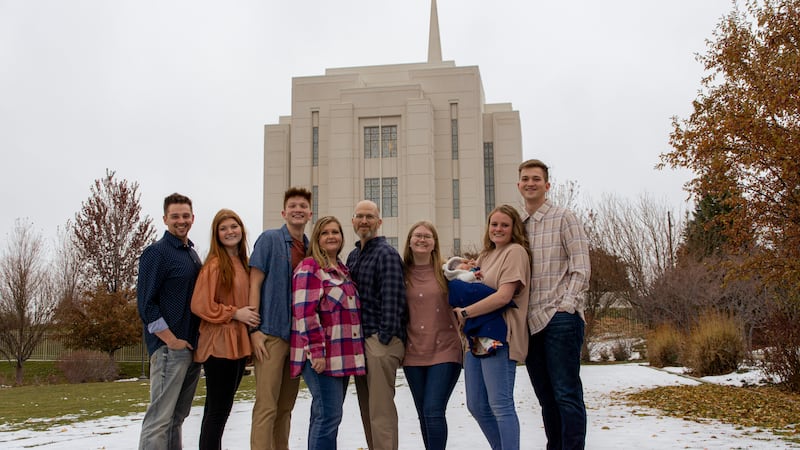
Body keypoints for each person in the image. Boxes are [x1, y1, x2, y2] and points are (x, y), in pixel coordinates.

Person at [517, 159, 591, 450]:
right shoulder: (518, 227)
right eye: (525, 179)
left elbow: (581, 266)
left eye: (536, 179)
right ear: (519, 185)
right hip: (530, 322)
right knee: (546, 397)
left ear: (547, 185)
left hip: (560, 318)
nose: (530, 183)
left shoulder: (564, 217)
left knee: (566, 393)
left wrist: (568, 304)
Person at [451, 204, 531, 450]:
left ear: (514, 228)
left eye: (504, 225)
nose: (498, 229)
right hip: (476, 334)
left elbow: (503, 297)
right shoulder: (486, 255)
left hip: (499, 336)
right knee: (476, 404)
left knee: (500, 404)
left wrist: (465, 312)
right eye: (494, 224)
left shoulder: (515, 252)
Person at [290, 216, 366, 450]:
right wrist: (316, 353)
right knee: (328, 416)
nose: (331, 236)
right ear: (317, 239)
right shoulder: (310, 267)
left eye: (336, 231)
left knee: (325, 416)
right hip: (321, 357)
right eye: (325, 233)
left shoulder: (342, 270)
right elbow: (305, 313)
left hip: (340, 356)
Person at [137, 193, 203, 450]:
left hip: (190, 349)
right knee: (159, 420)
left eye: (185, 216)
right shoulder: (156, 253)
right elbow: (146, 304)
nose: (181, 220)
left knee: (176, 419)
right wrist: (170, 340)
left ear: (193, 218)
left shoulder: (191, 254)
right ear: (165, 219)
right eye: (175, 216)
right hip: (168, 349)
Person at [190, 209, 261, 450]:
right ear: (216, 235)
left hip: (237, 343)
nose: (230, 232)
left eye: (234, 226)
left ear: (241, 230)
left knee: (218, 408)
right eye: (224, 228)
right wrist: (234, 312)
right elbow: (200, 304)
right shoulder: (215, 265)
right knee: (218, 411)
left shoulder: (243, 263)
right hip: (220, 343)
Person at [249, 187, 313, 450]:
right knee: (267, 406)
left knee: (286, 407)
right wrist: (254, 330)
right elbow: (254, 283)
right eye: (293, 206)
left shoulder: (310, 248)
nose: (298, 209)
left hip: (298, 339)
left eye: (303, 206)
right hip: (271, 334)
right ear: (284, 212)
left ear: (309, 213)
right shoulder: (269, 240)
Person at [346, 200, 407, 450]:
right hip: (360, 343)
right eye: (359, 216)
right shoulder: (353, 255)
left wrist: (384, 339)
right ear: (353, 221)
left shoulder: (386, 254)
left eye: (369, 216)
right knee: (367, 409)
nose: (364, 221)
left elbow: (393, 300)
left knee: (381, 412)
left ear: (379, 222)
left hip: (380, 341)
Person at [401, 221, 462, 450]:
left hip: (445, 349)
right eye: (417, 235)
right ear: (409, 241)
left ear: (435, 243)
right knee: (423, 413)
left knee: (433, 410)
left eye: (428, 236)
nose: (422, 239)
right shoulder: (401, 273)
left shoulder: (447, 272)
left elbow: (472, 286)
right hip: (413, 351)